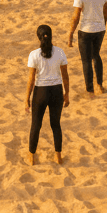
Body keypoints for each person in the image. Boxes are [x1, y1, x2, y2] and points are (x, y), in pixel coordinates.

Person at [25, 24, 69, 166]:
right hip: (56, 91)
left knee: (35, 125)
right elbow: (65, 76)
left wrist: (27, 98)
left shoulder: (34, 54)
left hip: (40, 92)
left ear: (38, 37)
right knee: (56, 125)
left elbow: (31, 79)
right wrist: (66, 93)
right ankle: (58, 156)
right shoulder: (60, 52)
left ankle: (32, 156)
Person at [69, 0, 107, 96]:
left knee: (86, 60)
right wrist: (102, 25)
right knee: (96, 56)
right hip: (99, 29)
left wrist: (70, 34)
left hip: (86, 30)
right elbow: (105, 12)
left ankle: (90, 89)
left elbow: (76, 16)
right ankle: (100, 84)